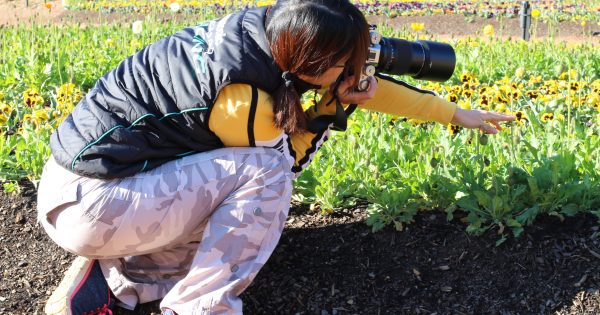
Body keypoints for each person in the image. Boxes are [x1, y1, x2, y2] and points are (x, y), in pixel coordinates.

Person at [37, 0, 514, 314]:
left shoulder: (263, 36)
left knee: (238, 192)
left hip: (85, 187)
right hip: (91, 206)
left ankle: (118, 278)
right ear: (311, 64)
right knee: (265, 177)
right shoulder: (244, 100)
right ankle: (200, 306)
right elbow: (285, 167)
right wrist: (330, 110)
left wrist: (455, 113)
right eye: (345, 63)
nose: (357, 68)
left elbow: (362, 83)